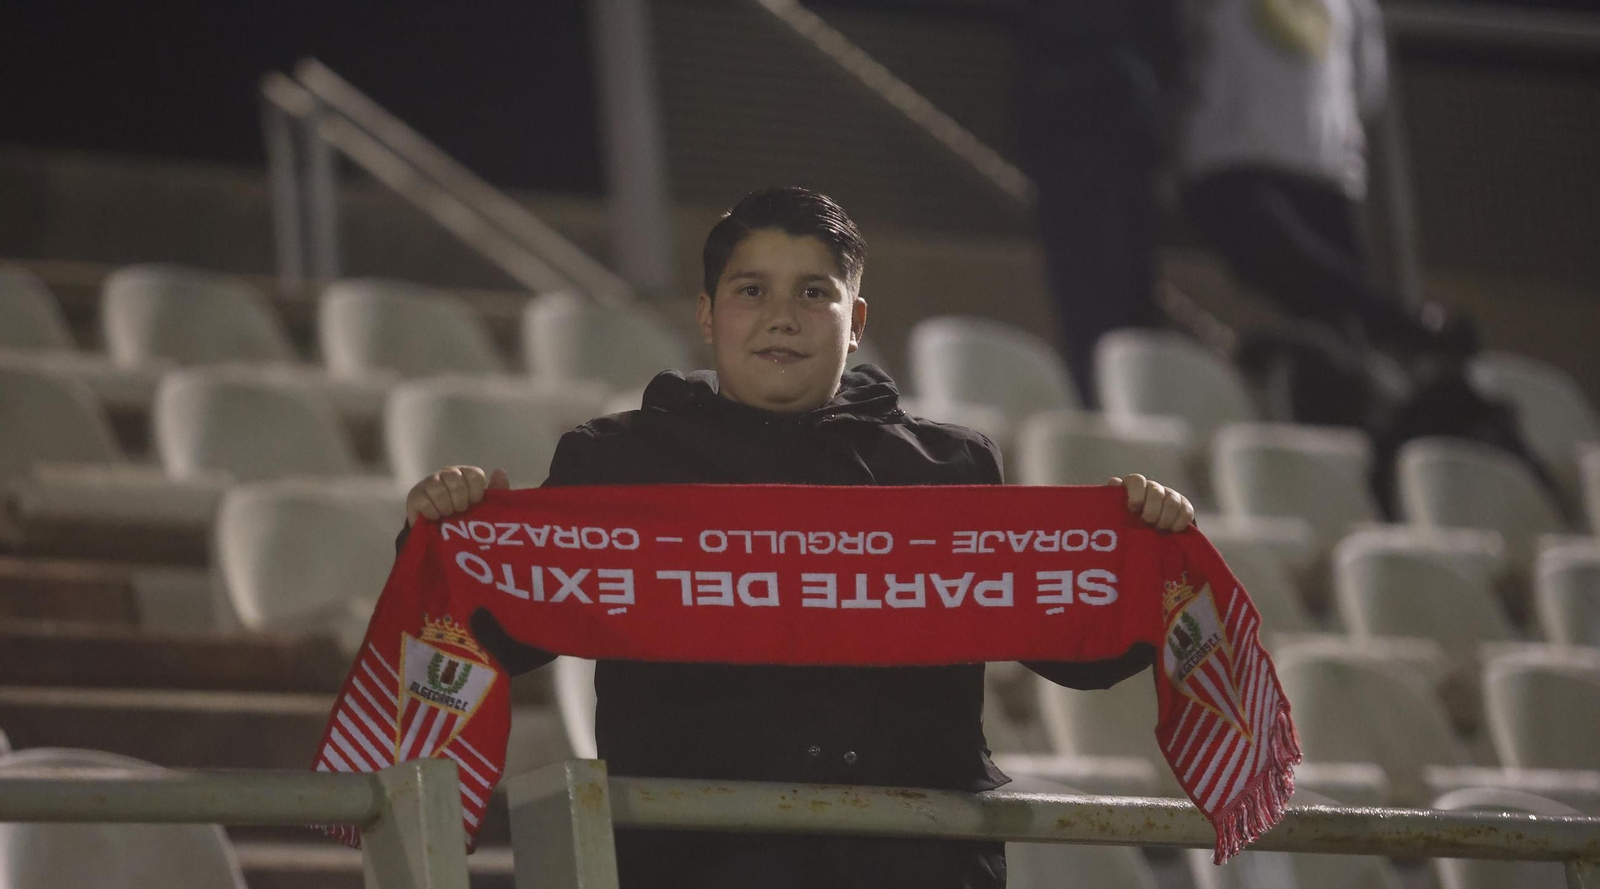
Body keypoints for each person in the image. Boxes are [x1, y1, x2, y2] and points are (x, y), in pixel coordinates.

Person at [399, 187, 1196, 889]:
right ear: (708, 313)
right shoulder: (615, 464)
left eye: (815, 292)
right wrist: (443, 534)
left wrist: (1142, 552)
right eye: (752, 290)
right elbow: (492, 632)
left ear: (856, 322)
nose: (783, 315)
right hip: (697, 869)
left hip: (919, 870)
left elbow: (1073, 645)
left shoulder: (949, 467)